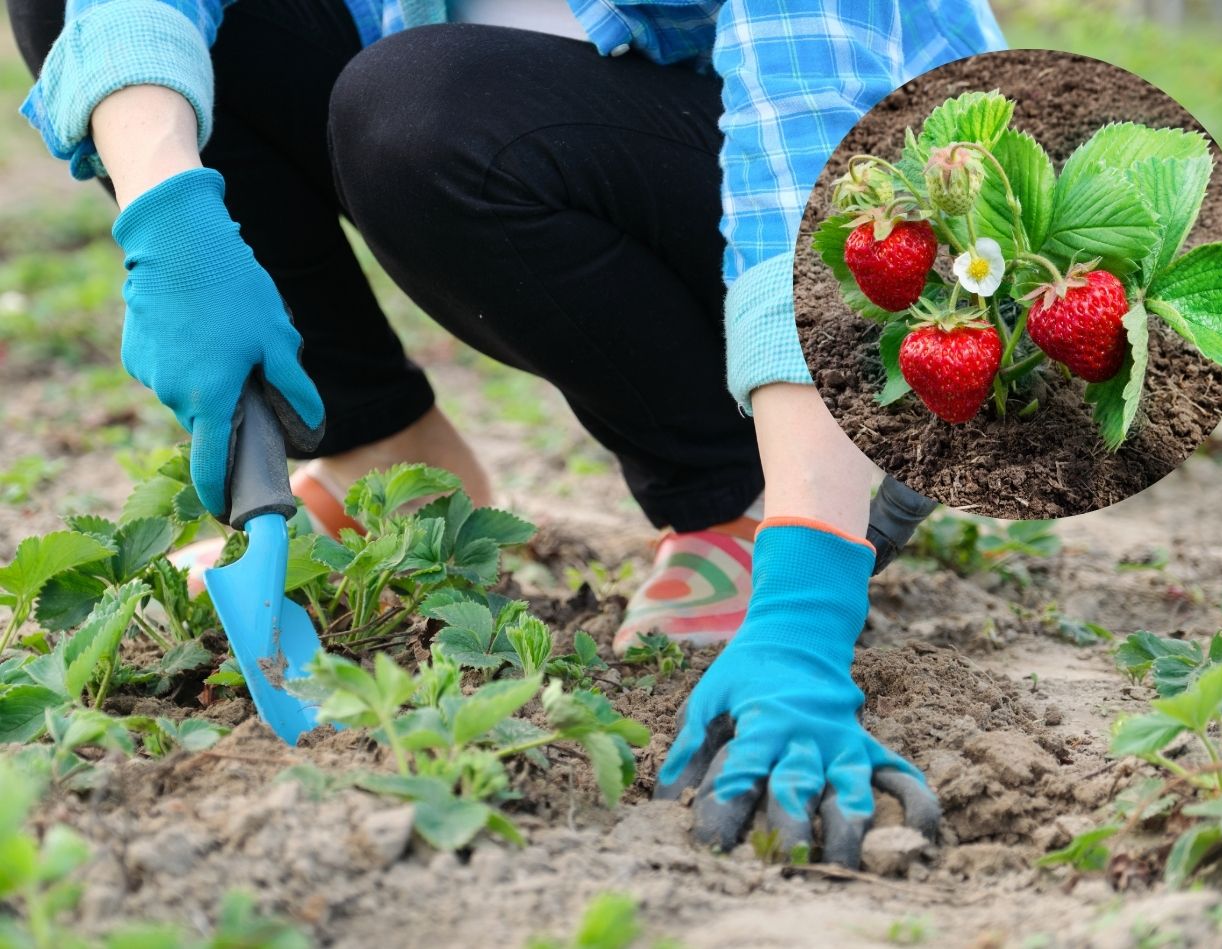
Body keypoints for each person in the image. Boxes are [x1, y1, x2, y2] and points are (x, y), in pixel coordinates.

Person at [10, 0, 1004, 867]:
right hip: (554, 115)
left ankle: (750, 491)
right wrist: (169, 218)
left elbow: (814, 179)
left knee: (421, 110)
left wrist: (807, 601)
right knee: (87, 20)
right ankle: (377, 445)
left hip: (896, 269)